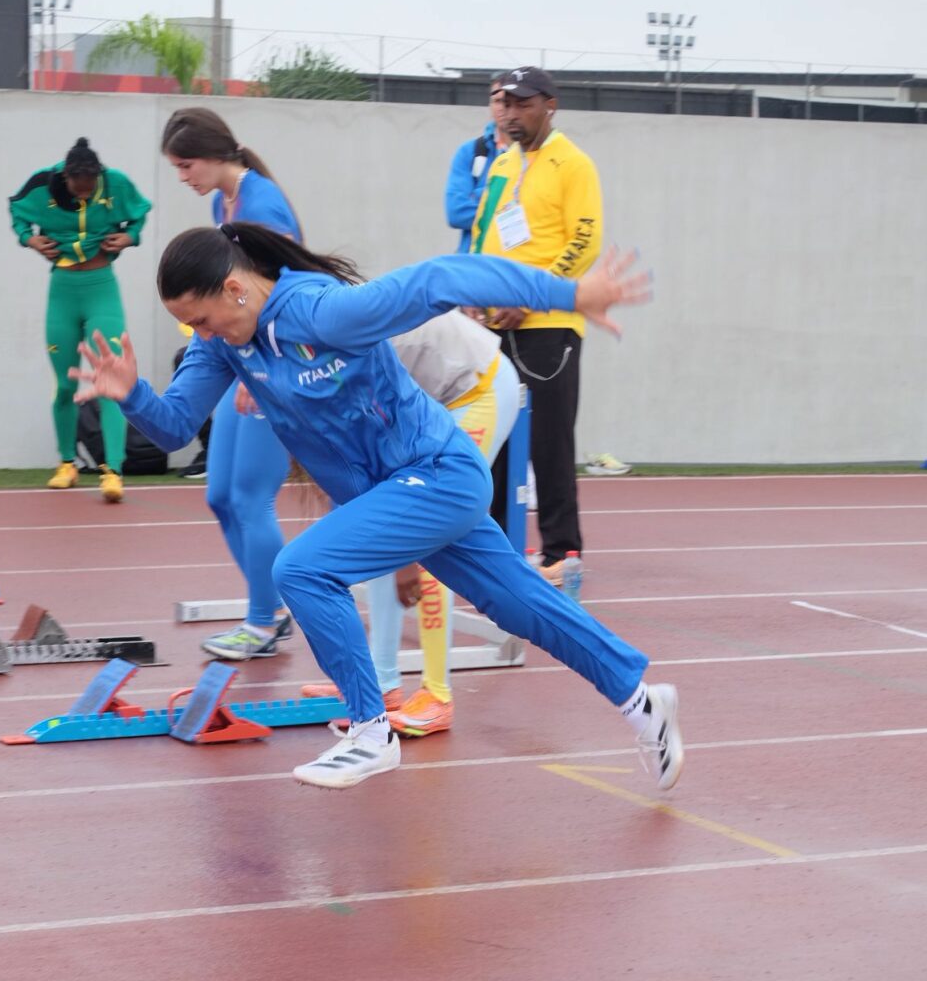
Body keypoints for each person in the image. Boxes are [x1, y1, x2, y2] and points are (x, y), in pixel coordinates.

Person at [70, 221, 683, 795]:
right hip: (398, 496)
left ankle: (370, 731)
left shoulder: (321, 310)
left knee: (302, 568)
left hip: (439, 472)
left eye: (202, 320)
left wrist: (571, 292)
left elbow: (443, 278)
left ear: (234, 289)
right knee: (520, 605)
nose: (200, 336)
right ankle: (641, 699)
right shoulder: (227, 346)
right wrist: (132, 394)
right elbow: (176, 425)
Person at [301, 310, 521, 736]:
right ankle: (383, 684)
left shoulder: (349, 356)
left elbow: (387, 450)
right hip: (435, 397)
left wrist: (407, 561)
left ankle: (437, 696)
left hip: (479, 391)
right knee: (381, 536)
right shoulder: (312, 357)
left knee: (431, 542)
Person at [471, 66, 625, 586]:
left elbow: (584, 241)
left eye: (523, 103)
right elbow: (483, 232)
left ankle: (562, 552)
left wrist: (531, 299)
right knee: (493, 438)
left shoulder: (573, 163)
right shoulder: (502, 163)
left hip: (548, 325)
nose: (512, 112)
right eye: (506, 104)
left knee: (549, 443)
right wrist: (474, 291)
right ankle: (493, 548)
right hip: (493, 322)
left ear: (550, 104)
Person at [161, 108, 303, 658]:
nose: (182, 176)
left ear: (217, 155)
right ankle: (274, 608)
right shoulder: (228, 201)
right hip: (239, 361)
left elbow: (285, 289)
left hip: (273, 366)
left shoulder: (263, 204)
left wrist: (268, 371)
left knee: (250, 499)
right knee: (220, 495)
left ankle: (263, 623)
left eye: (186, 164)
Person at [8, 137, 151, 502]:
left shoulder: (115, 183)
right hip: (63, 291)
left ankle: (113, 471)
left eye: (90, 187)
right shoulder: (43, 183)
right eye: (78, 187)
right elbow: (17, 212)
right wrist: (29, 240)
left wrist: (130, 237)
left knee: (109, 379)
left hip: (102, 288)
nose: (85, 194)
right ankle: (67, 464)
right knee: (65, 384)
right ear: (66, 177)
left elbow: (139, 214)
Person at [444, 72, 510, 253]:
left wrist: (478, 195)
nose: (502, 107)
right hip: (471, 267)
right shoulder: (470, 152)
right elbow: (456, 213)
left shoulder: (534, 156)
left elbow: (536, 216)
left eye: (508, 101)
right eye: (496, 101)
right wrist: (508, 208)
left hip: (516, 268)